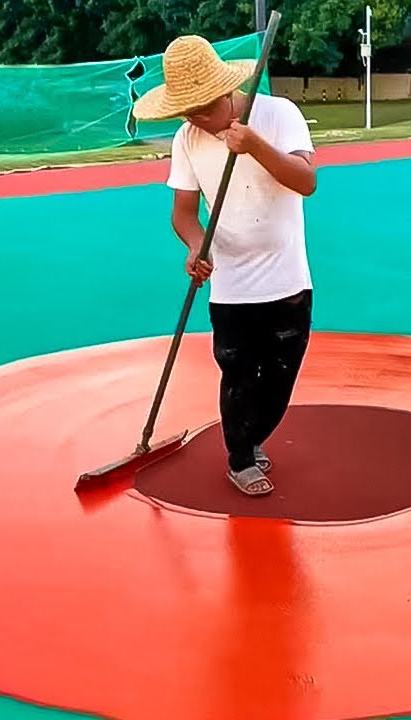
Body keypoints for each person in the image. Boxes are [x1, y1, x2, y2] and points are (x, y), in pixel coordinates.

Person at [132, 34, 318, 497]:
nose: (195, 118)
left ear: (227, 91)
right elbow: (182, 214)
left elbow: (306, 181)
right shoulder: (188, 138)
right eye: (186, 111)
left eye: (202, 107)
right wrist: (196, 247)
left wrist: (254, 144)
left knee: (278, 382)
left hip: (288, 279)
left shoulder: (278, 115)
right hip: (230, 287)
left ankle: (250, 436)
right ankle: (239, 457)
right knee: (236, 374)